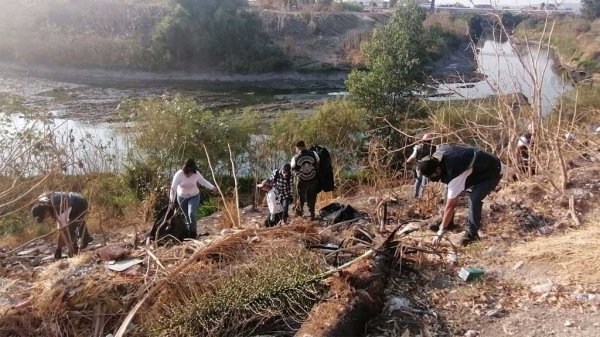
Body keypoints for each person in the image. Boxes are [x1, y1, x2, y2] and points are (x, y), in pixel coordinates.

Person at [417, 145, 504, 246]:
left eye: (432, 176)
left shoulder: (455, 172)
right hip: (476, 168)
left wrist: (441, 231)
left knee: (474, 198)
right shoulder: (440, 153)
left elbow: (451, 205)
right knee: (448, 189)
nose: (432, 179)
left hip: (492, 171)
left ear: (437, 169)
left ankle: (472, 234)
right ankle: (448, 223)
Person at [31, 192, 93, 260]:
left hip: (79, 203)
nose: (46, 218)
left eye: (44, 216)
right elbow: (48, 193)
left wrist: (59, 249)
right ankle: (86, 238)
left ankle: (75, 248)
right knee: (76, 221)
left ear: (46, 211)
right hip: (75, 197)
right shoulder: (42, 198)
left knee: (71, 227)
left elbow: (63, 231)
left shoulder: (60, 210)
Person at [169, 158, 216, 239]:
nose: (191, 174)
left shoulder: (196, 173)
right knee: (186, 216)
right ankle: (189, 232)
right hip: (182, 197)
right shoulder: (179, 175)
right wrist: (172, 201)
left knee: (191, 213)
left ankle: (193, 232)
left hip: (194, 196)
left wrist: (212, 187)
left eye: (192, 172)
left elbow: (203, 181)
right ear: (185, 170)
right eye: (189, 172)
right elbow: (173, 189)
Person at [291, 140, 320, 220]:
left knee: (301, 198)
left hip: (301, 181)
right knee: (312, 197)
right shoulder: (314, 153)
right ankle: (312, 215)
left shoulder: (295, 157)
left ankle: (300, 214)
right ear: (304, 146)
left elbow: (292, 168)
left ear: (297, 148)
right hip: (313, 180)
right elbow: (318, 162)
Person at [406, 133, 437, 198]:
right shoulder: (434, 147)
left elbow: (412, 157)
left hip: (420, 166)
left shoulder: (418, 147)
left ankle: (416, 195)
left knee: (419, 180)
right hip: (427, 167)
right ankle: (420, 196)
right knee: (423, 182)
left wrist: (407, 162)